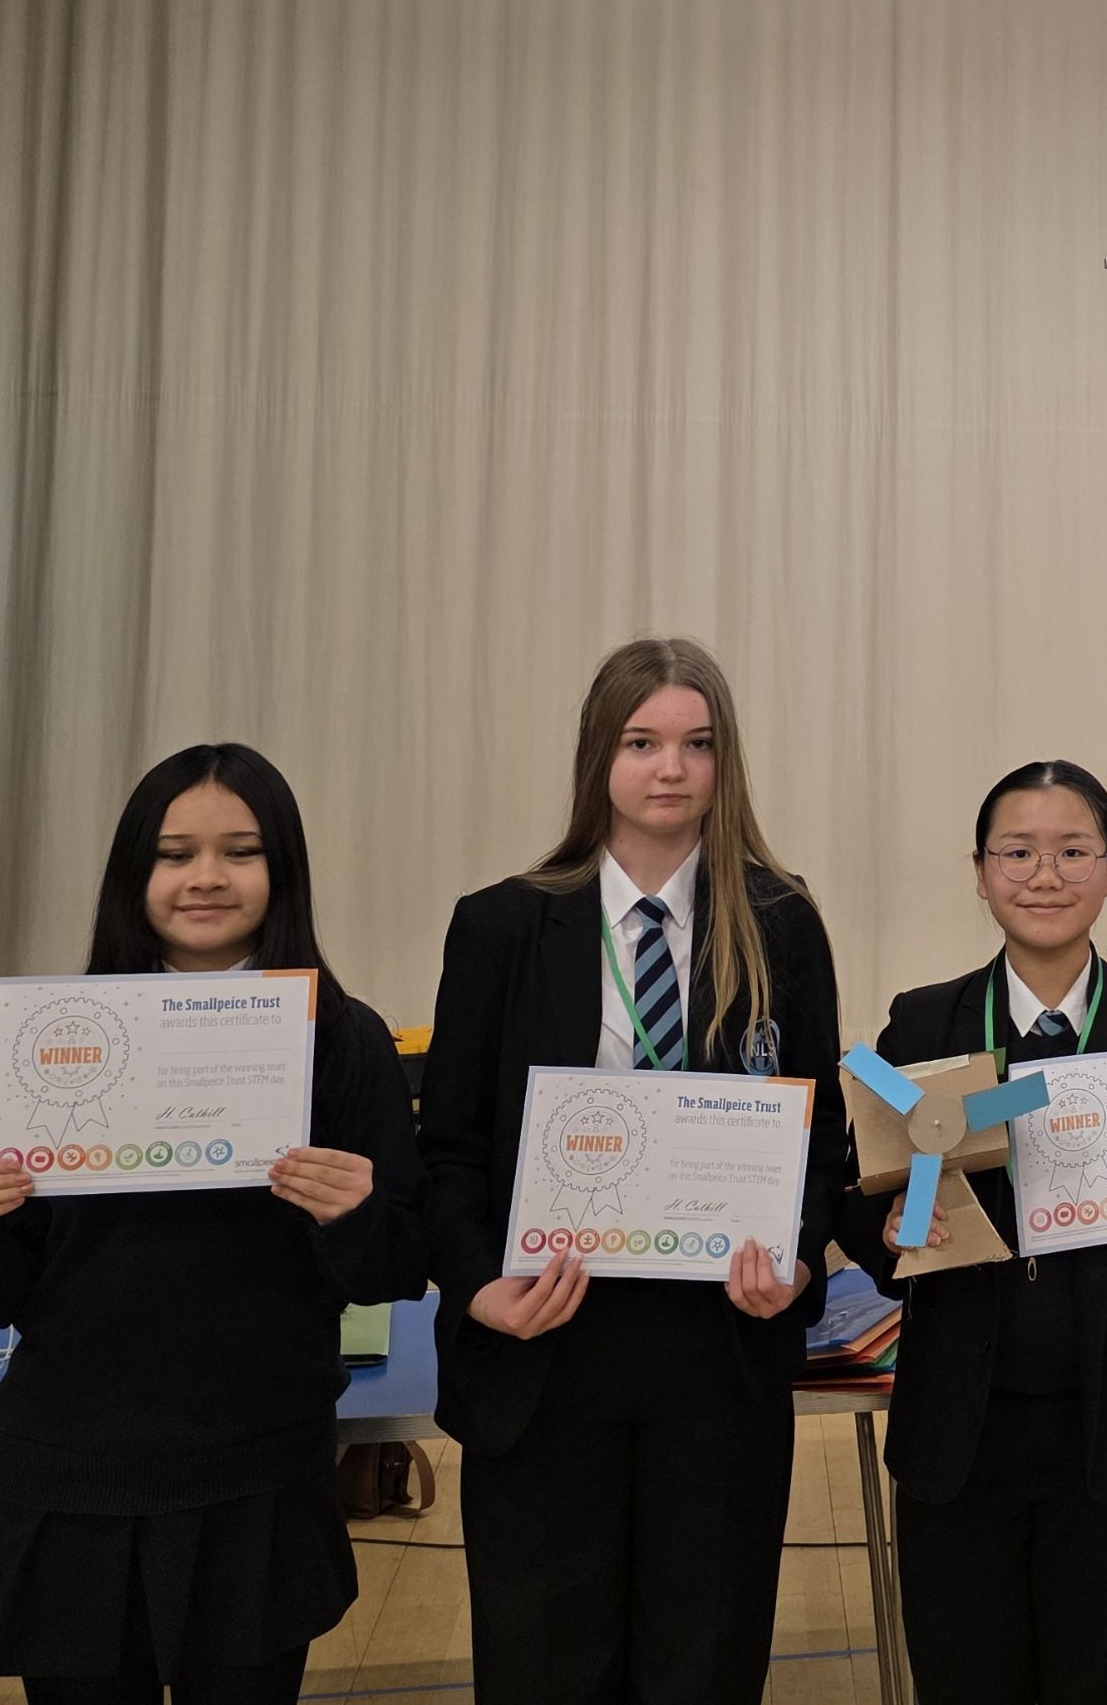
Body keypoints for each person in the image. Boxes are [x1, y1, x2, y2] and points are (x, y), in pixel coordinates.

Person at [0, 745, 426, 1705]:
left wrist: (353, 1215)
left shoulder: (345, 1038)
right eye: (173, 851)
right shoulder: (59, 1035)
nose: (206, 877)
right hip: (71, 1469)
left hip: (256, 1465)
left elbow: (392, 1268)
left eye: (241, 850)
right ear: (131, 873)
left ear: (284, 870)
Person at [420, 637, 846, 1705]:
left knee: (699, 1659)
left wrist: (793, 1259)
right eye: (643, 741)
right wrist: (481, 1287)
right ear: (597, 757)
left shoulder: (781, 921)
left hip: (716, 1353)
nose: (671, 767)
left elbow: (817, 1136)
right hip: (548, 1346)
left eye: (697, 744)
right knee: (546, 1661)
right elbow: (451, 1150)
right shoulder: (501, 925)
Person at [843, 759, 1107, 1705]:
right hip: (960, 1438)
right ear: (979, 871)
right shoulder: (923, 1021)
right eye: (1016, 851)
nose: (1044, 874)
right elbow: (858, 1196)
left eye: (1073, 851)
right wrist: (885, 1226)